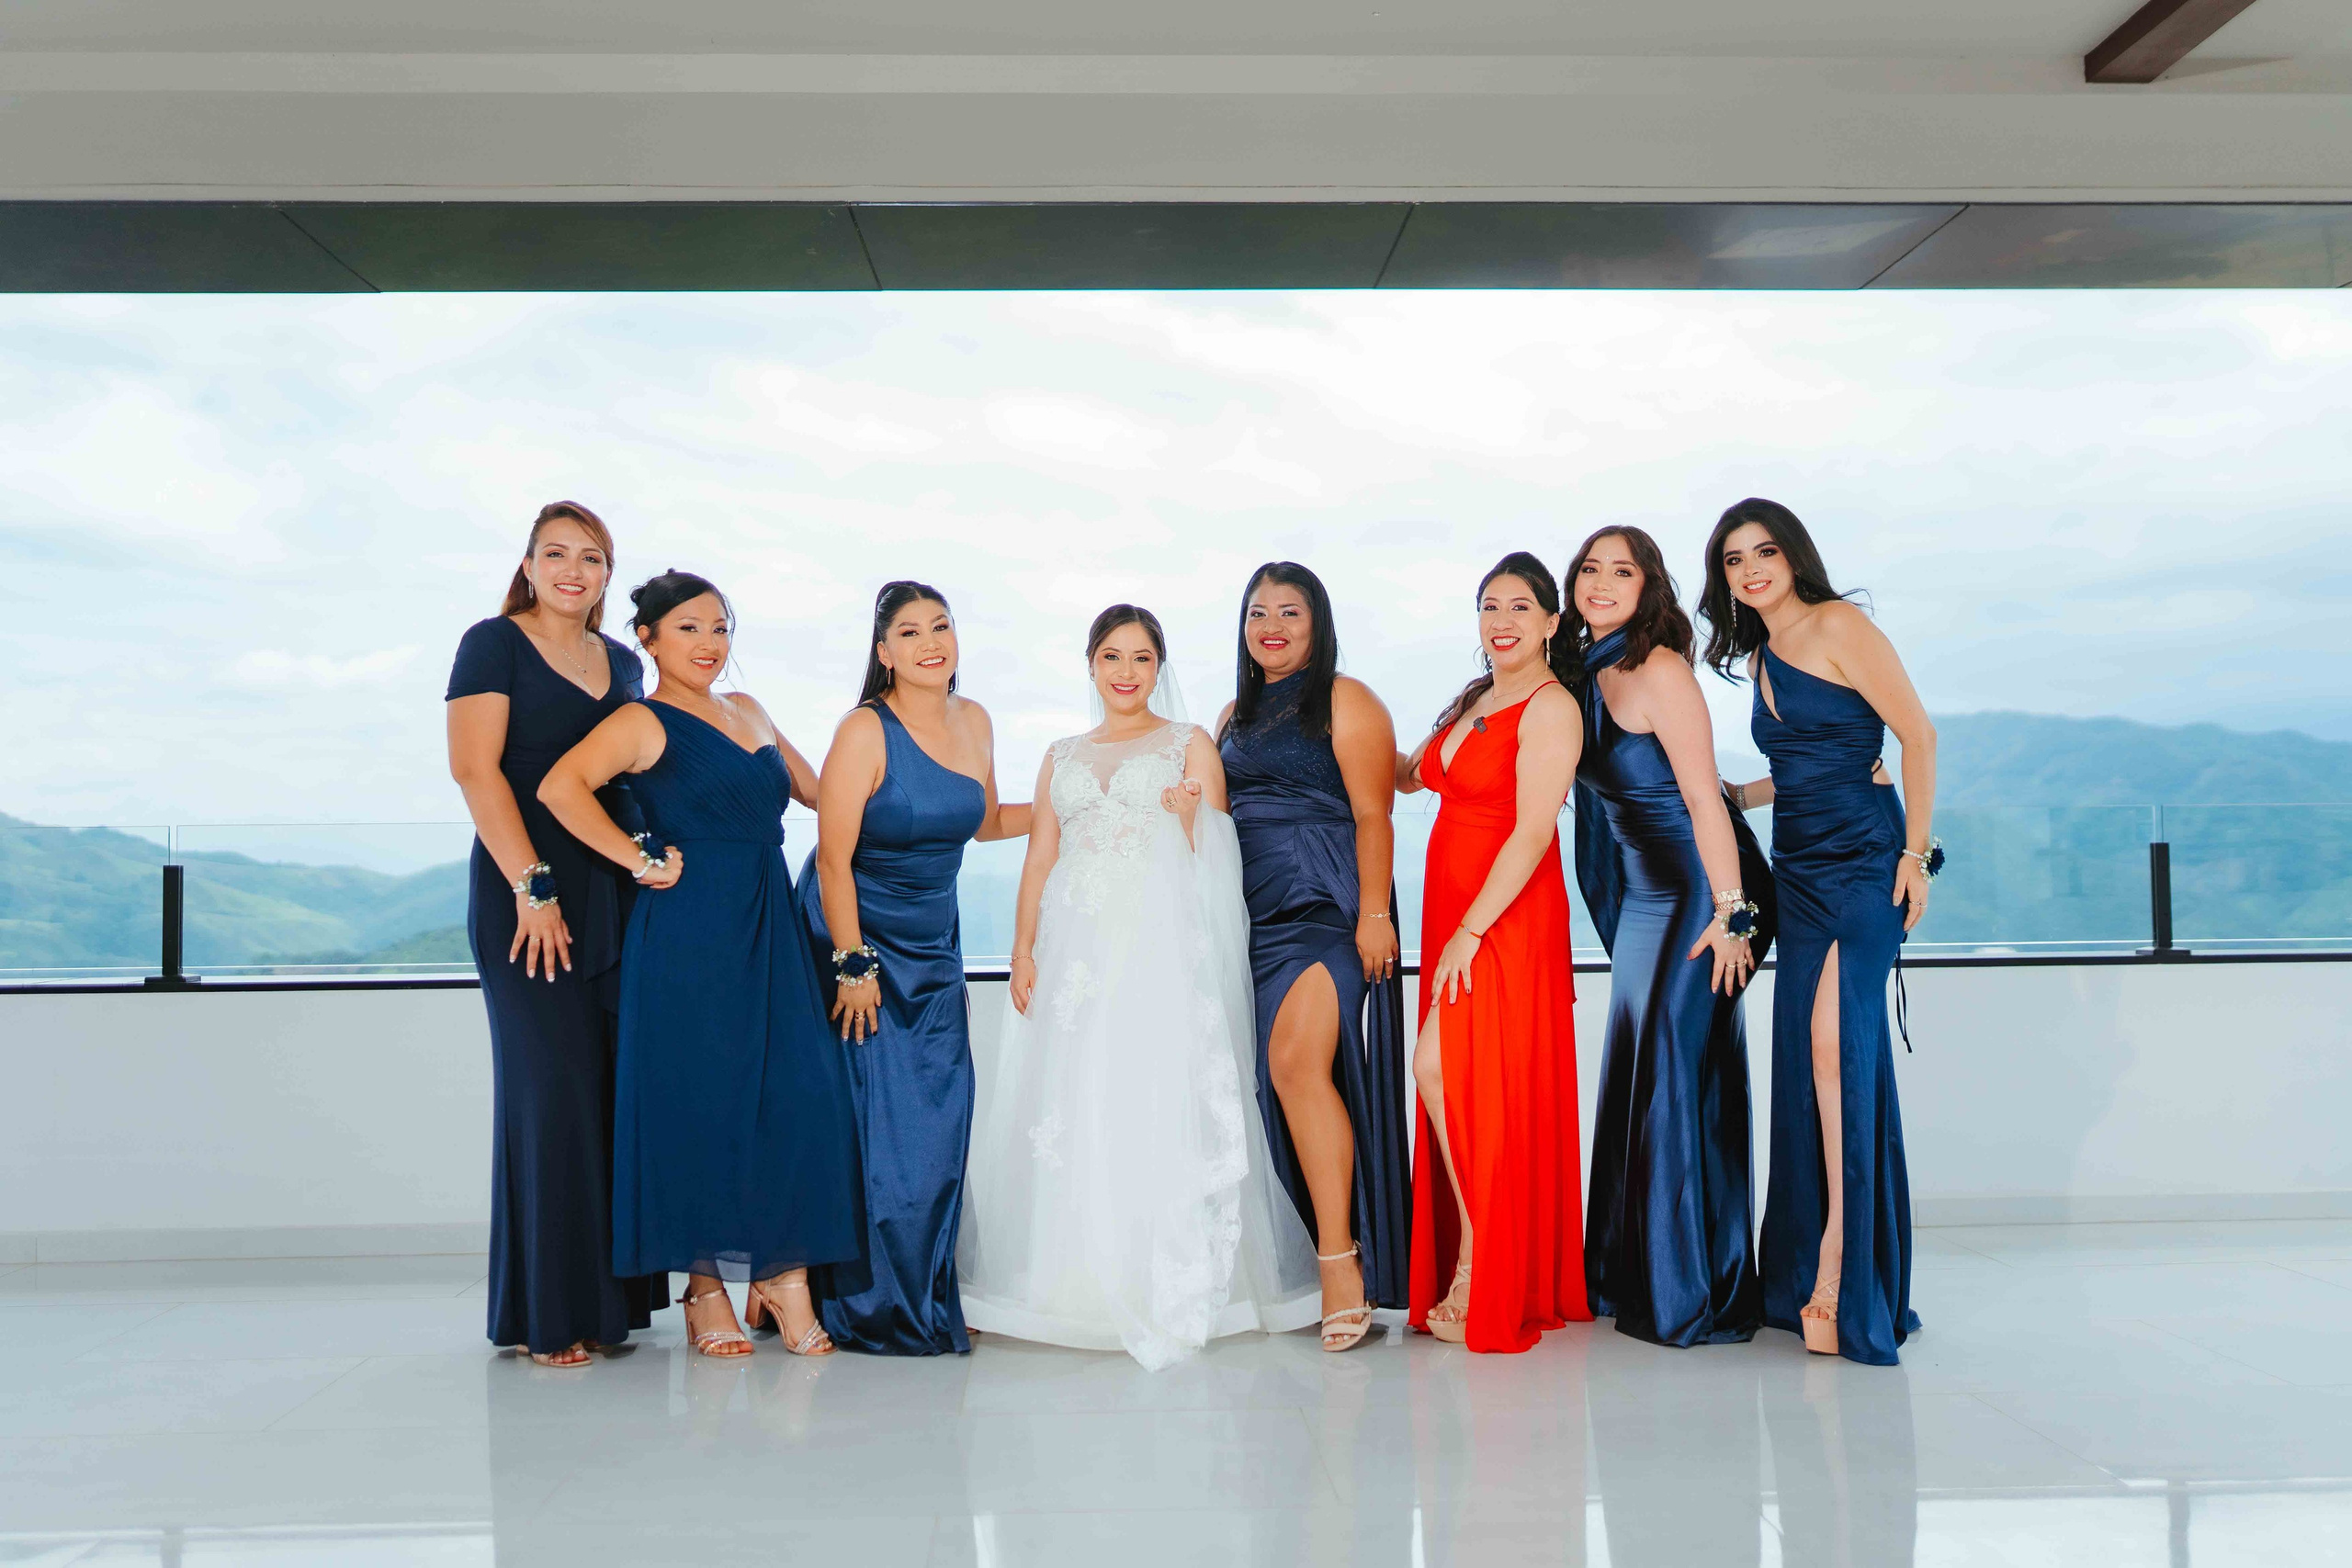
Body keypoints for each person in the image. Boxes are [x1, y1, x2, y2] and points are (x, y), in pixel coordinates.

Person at [958, 605, 1319, 1369]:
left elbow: (1222, 865)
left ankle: (1168, 1270)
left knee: (1152, 1090)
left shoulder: (1188, 745)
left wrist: (1192, 819)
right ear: (1091, 664)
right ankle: (1073, 1275)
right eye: (1112, 656)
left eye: (1142, 658)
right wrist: (1022, 950)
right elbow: (1039, 859)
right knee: (1076, 1094)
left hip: (1158, 947)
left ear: (1161, 667)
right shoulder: (1061, 755)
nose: (1126, 672)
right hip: (1074, 948)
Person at [538, 570, 861, 1359]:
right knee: (701, 1101)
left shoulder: (748, 710)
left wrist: (898, 742)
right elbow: (558, 788)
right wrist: (636, 858)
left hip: (772, 925)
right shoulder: (640, 722)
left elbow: (823, 794)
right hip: (688, 933)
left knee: (796, 1094)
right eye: (688, 628)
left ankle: (782, 1278)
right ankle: (706, 1287)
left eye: (720, 628)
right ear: (645, 637)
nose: (710, 644)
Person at [1702, 498, 1937, 1365]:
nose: (1751, 568)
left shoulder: (1840, 624)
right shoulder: (1762, 653)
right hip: (1796, 869)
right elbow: (1795, 767)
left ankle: (1841, 1260)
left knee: (1838, 1048)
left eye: (1764, 551)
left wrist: (1917, 854)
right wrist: (1735, 797)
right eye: (1733, 560)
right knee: (1806, 1059)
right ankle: (1811, 1253)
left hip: (1867, 859)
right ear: (1722, 579)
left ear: (1793, 556)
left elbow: (1915, 733)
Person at [445, 500, 665, 1368]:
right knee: (550, 1095)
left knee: (609, 1095)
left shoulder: (621, 661)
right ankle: (547, 1312)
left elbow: (630, 772)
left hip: (613, 889)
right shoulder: (491, 642)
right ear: (528, 565)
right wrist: (530, 884)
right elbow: (474, 769)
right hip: (524, 891)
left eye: (593, 558)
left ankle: (606, 1309)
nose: (574, 570)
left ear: (609, 575)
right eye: (556, 554)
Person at [798, 581, 1030, 1356]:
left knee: (942, 1114)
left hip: (934, 942)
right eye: (909, 630)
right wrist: (851, 962)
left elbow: (989, 821)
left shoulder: (978, 721)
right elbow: (833, 859)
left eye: (941, 625)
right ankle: (868, 1303)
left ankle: (925, 1288)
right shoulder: (864, 730)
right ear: (884, 652)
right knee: (873, 1125)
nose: (930, 640)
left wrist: (1082, 801)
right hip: (854, 934)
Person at [1565, 525, 1766, 1348]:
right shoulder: (1581, 671)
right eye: (1589, 569)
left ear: (1649, 587)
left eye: (1623, 570)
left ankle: (1692, 1291)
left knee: (1679, 1074)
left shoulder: (1661, 668)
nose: (1603, 583)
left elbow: (1703, 803)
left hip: (1699, 897)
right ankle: (1632, 1274)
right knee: (1640, 1071)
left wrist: (1733, 916)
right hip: (1642, 900)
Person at [1396, 552, 1589, 1353]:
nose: (1501, 619)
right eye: (1488, 605)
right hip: (1453, 907)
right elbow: (1412, 774)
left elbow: (1535, 828)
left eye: (1519, 605)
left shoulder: (1551, 706)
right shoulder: (1477, 696)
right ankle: (1481, 1245)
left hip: (1504, 911)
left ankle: (1483, 1259)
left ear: (1551, 621)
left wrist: (1472, 929)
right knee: (1463, 1077)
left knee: (1445, 1069)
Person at [1215, 563, 1409, 1353]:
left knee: (1298, 1062)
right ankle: (1298, 1256)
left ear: (1317, 622)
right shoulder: (1233, 712)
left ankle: (1341, 1263)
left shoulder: (1347, 698)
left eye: (1290, 612)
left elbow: (1374, 813)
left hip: (1328, 907)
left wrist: (1372, 914)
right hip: (1251, 918)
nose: (1273, 625)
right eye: (1259, 612)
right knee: (1271, 1082)